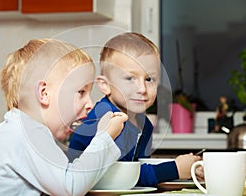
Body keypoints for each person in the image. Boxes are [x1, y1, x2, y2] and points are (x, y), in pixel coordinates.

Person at [0, 38, 128, 196]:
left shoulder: (23, 128)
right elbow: (70, 187)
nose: (90, 104)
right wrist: (105, 137)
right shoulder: (26, 132)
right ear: (44, 93)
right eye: (81, 92)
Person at [68, 32, 203, 187]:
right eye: (130, 78)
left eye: (149, 79)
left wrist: (187, 169)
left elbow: (137, 168)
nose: (142, 89)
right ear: (105, 85)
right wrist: (175, 169)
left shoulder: (144, 124)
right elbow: (119, 176)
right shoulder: (107, 118)